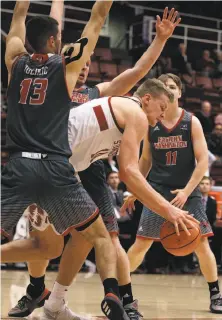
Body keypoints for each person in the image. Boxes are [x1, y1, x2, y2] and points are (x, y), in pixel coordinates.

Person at [7, 6, 183, 320]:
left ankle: (116, 299)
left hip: (86, 167)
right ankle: (36, 287)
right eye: (82, 61)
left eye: (89, 63)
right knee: (47, 242)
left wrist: (159, 41)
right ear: (61, 52)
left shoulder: (95, 92)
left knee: (102, 237)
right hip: (56, 161)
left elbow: (136, 75)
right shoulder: (57, 76)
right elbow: (63, 26)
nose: (86, 66)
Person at [1, 1, 132, 319]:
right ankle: (110, 294)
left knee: (40, 243)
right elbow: (97, 18)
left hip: (20, 165)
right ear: (53, 41)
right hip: (55, 167)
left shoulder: (14, 61)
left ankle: (60, 295)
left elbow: (18, 16)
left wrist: (22, 6)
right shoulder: (64, 68)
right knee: (92, 237)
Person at [125, 73, 222, 314]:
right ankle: (119, 290)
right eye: (163, 87)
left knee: (201, 244)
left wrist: (187, 192)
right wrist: (136, 190)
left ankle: (216, 294)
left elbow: (202, 163)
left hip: (187, 194)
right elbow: (145, 160)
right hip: (157, 192)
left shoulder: (192, 122)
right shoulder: (151, 123)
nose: (167, 91)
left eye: (171, 87)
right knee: (141, 244)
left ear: (179, 92)